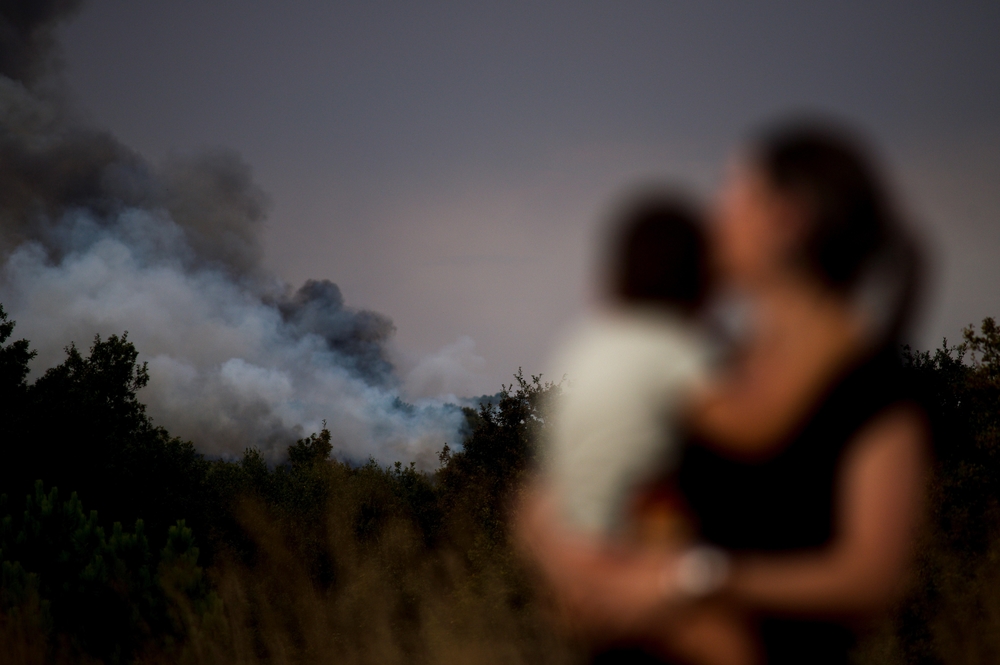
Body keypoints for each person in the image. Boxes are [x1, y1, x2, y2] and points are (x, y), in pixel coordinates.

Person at [516, 119, 930, 665]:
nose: (714, 216)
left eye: (732, 191)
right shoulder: (713, 368)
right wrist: (575, 560)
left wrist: (696, 581)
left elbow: (868, 577)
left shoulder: (874, 390)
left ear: (787, 220)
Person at [541, 193, 712, 538]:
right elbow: (749, 428)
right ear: (702, 280)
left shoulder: (580, 344)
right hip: (629, 547)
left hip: (574, 537)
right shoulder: (679, 346)